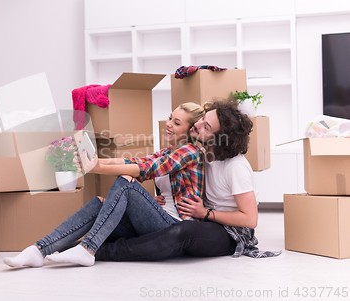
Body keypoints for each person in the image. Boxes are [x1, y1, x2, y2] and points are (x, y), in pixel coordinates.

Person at [3, 102, 205, 269]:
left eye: (176, 123)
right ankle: (39, 250)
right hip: (158, 219)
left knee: (126, 182)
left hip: (175, 228)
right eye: (170, 118)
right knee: (100, 202)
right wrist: (94, 163)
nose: (169, 124)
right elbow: (134, 161)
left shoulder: (190, 151)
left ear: (190, 130)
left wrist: (97, 167)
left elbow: (148, 169)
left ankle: (88, 249)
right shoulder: (169, 150)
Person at [95, 99, 281, 261]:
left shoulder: (235, 166)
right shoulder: (200, 152)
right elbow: (149, 164)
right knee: (173, 229)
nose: (197, 125)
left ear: (217, 139)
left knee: (184, 231)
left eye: (206, 126)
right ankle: (91, 245)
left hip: (231, 232)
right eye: (202, 119)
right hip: (207, 220)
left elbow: (250, 219)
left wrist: (206, 213)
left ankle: (105, 252)